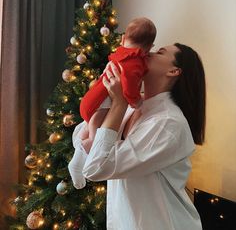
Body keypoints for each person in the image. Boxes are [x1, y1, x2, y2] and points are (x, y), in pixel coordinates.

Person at [70, 42, 206, 230]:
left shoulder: (168, 124)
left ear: (174, 71)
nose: (148, 52)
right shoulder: (134, 108)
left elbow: (95, 168)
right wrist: (107, 94)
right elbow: (80, 133)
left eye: (160, 52)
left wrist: (118, 104)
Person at [68, 17, 156, 189]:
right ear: (148, 48)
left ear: (123, 39)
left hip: (93, 100)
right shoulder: (135, 62)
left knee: (90, 128)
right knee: (95, 140)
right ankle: (78, 160)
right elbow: (129, 86)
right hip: (101, 102)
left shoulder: (120, 54)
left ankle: (79, 154)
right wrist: (135, 100)